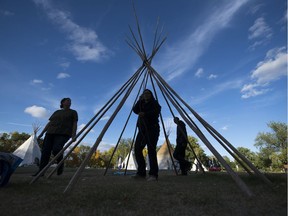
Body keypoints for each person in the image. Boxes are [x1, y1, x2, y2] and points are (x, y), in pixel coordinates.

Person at [32, 98, 78, 176]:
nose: (69, 102)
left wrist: (74, 135)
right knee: (45, 152)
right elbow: (50, 123)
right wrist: (42, 133)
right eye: (68, 101)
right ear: (63, 103)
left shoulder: (73, 112)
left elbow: (74, 123)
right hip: (50, 132)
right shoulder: (57, 112)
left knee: (57, 149)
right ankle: (41, 171)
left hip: (64, 133)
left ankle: (60, 165)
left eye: (70, 101)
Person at [132, 89, 161, 181]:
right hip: (142, 130)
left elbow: (157, 111)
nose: (146, 95)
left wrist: (145, 114)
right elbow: (135, 110)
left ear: (151, 95)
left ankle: (153, 174)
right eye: (144, 94)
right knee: (137, 149)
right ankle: (141, 173)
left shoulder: (154, 103)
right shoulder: (141, 104)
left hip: (152, 128)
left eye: (148, 93)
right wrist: (139, 100)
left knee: (151, 150)